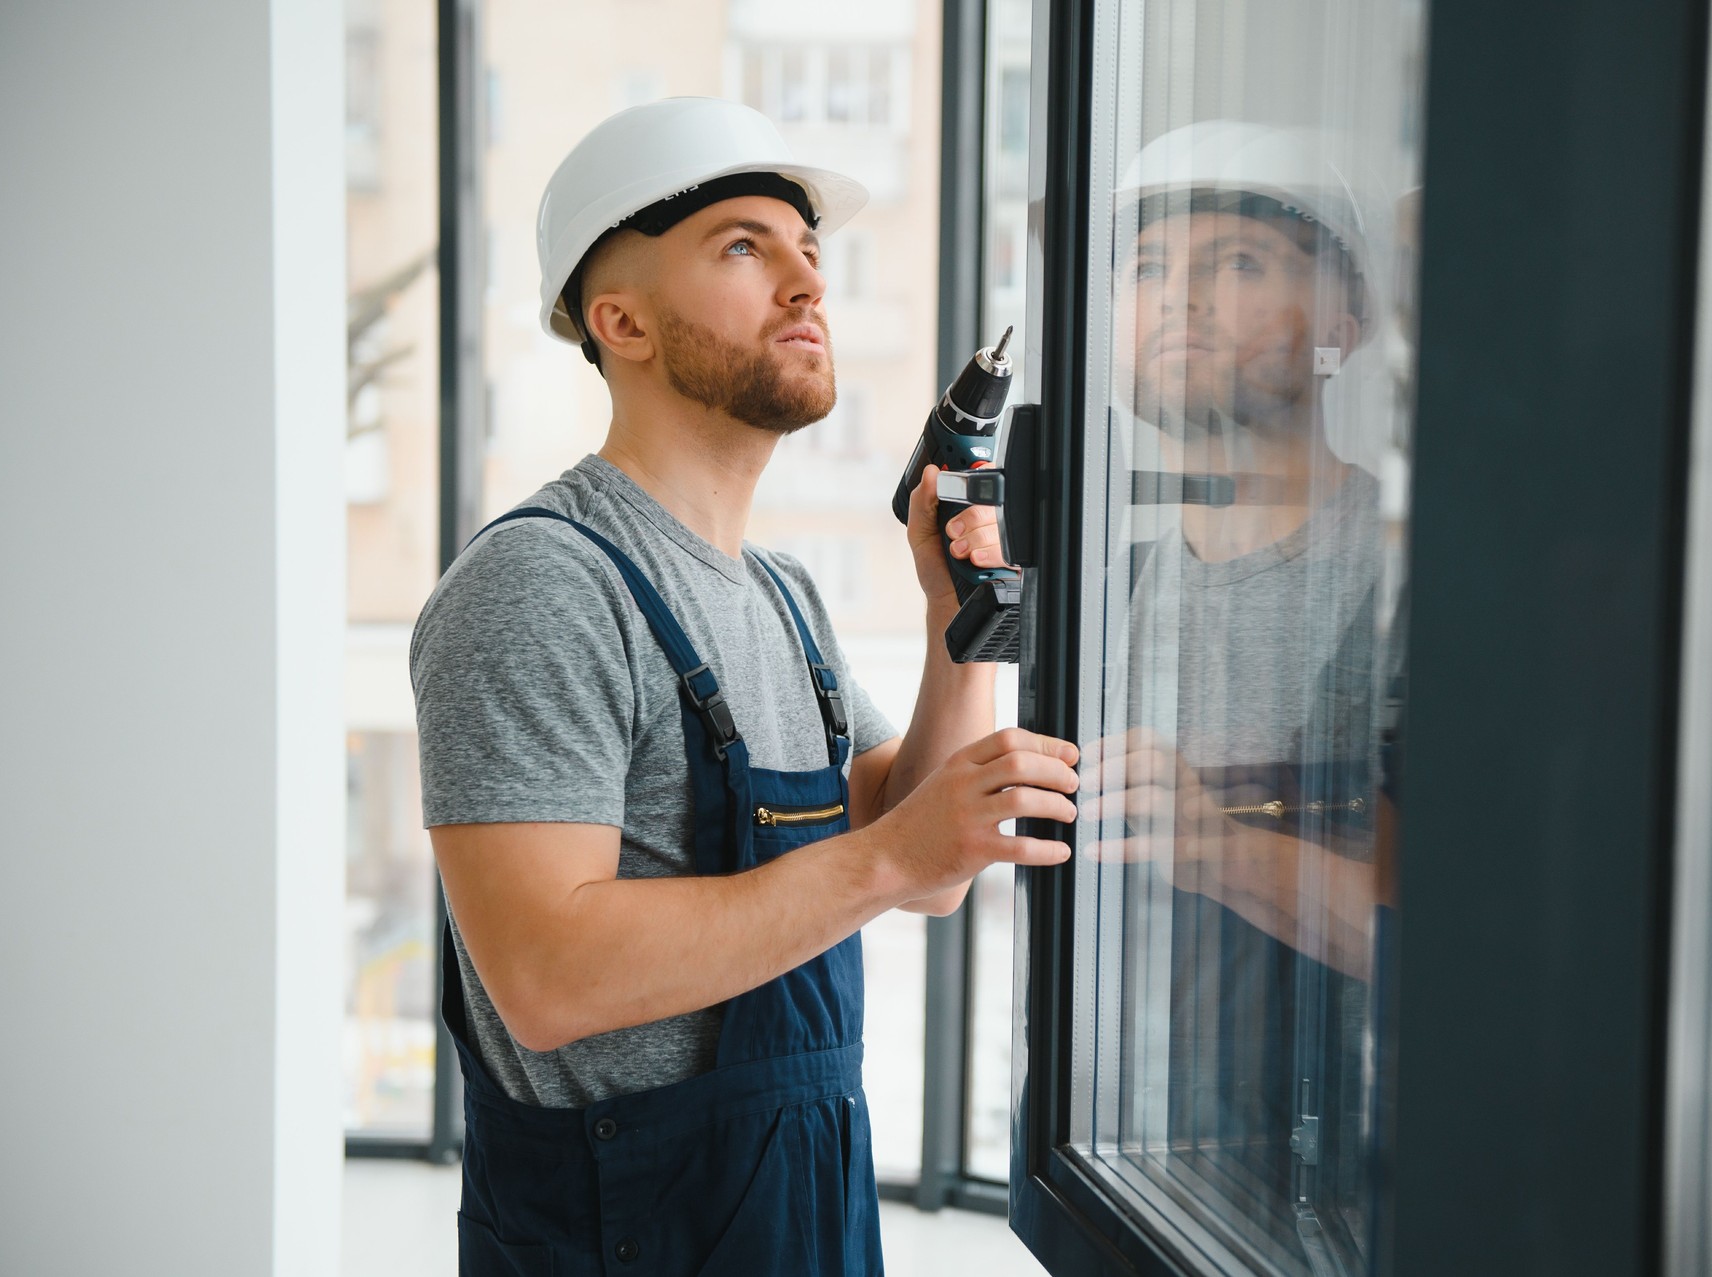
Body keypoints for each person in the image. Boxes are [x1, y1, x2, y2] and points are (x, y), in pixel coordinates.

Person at [409, 96, 1079, 1276]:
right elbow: (548, 977)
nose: (807, 284)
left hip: (802, 1216)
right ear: (621, 320)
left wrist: (951, 626)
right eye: (742, 246)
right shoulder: (541, 583)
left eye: (810, 251)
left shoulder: (783, 593)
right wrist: (886, 857)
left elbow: (919, 862)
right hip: (625, 1239)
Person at [1077, 119, 1409, 1224]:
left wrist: (1216, 848)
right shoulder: (1099, 592)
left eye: (1240, 261)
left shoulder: (1411, 574)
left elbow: (1458, 951)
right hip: (1124, 1183)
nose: (1181, 296)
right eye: (1149, 265)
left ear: (1343, 324)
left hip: (1344, 1202)